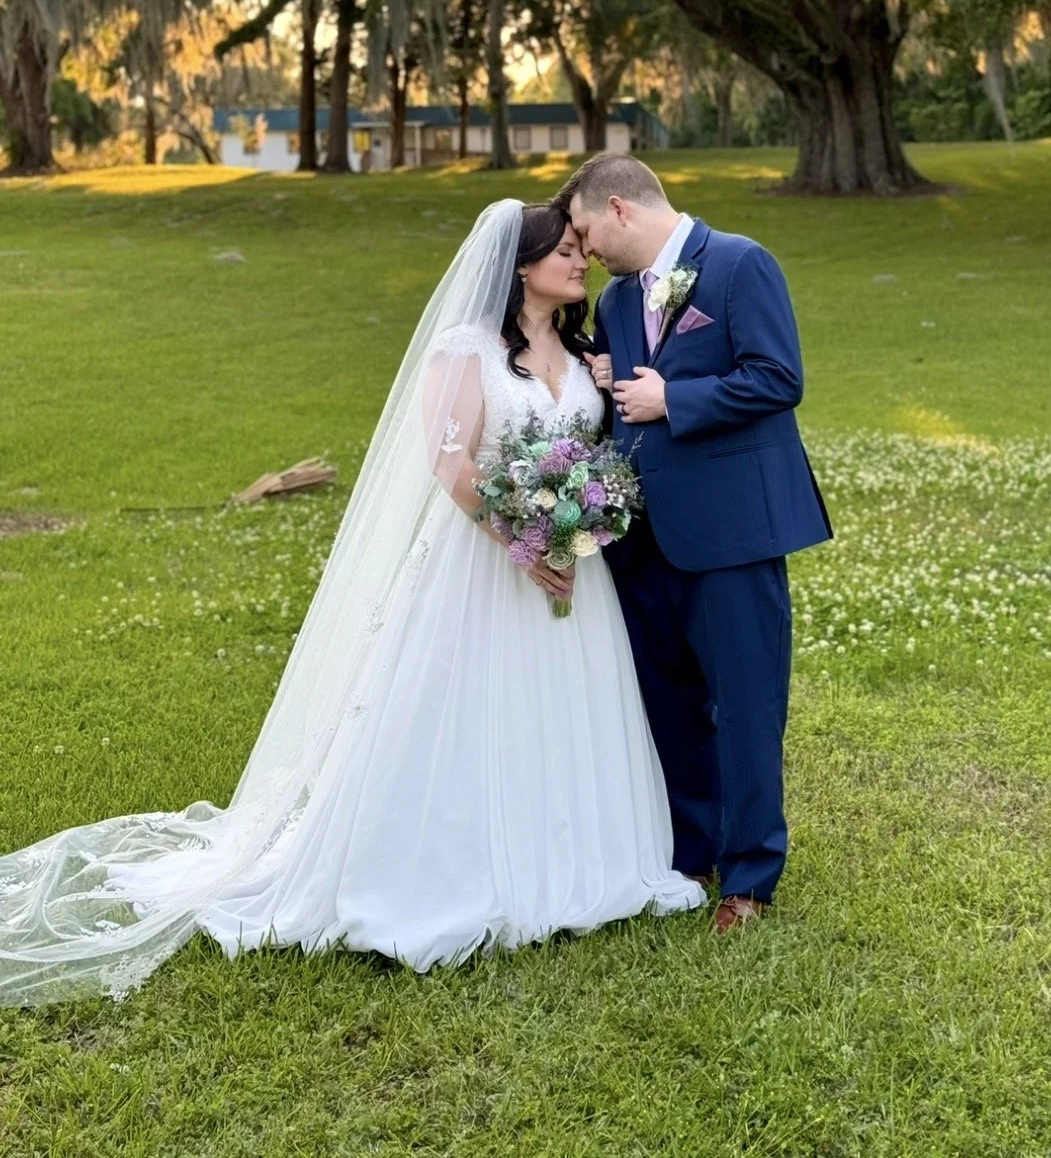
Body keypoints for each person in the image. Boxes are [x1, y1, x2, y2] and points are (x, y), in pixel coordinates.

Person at [0, 199, 703, 1008]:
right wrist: (526, 542)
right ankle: (444, 870)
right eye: (567, 250)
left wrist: (573, 531)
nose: (582, 262)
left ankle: (586, 861)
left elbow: (593, 450)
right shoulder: (462, 351)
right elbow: (450, 469)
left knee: (571, 713)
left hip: (573, 575)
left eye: (583, 249)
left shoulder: (588, 355)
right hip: (480, 568)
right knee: (459, 715)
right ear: (520, 263)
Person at [557, 155, 832, 933]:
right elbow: (623, 407)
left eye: (586, 231)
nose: (586, 251)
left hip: (732, 531)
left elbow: (778, 377)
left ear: (620, 208)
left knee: (745, 706)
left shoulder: (741, 264)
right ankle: (693, 853)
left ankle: (750, 877)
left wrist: (673, 396)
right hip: (641, 539)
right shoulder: (615, 301)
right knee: (670, 702)